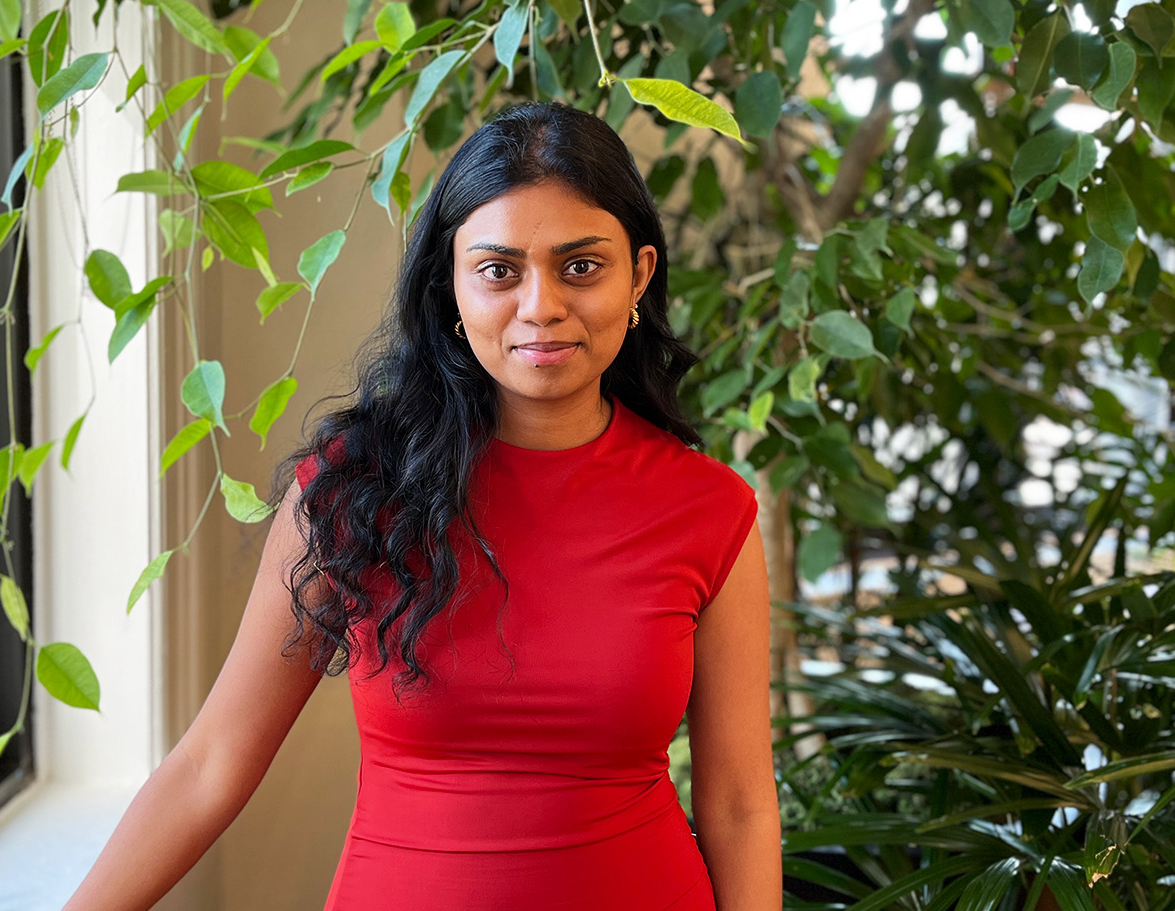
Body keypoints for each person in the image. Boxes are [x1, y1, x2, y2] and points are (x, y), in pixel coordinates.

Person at [62, 100, 781, 911]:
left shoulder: (709, 509)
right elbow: (210, 764)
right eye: (499, 270)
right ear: (451, 285)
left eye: (580, 266)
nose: (540, 305)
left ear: (639, 274)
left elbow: (739, 805)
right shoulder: (353, 490)